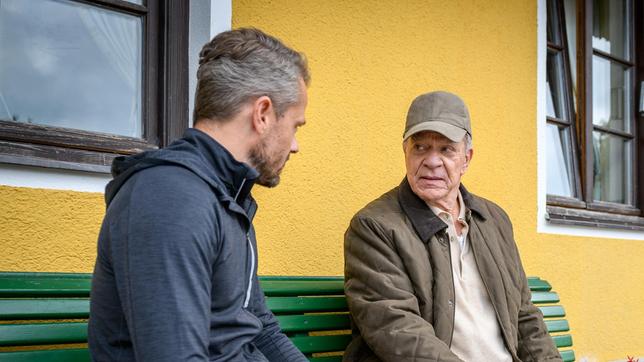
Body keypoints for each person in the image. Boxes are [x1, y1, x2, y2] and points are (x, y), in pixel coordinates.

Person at [88, 28, 310, 361]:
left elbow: (259, 326)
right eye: (295, 125)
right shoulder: (168, 198)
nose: (295, 145)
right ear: (262, 113)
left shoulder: (225, 196)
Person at [343, 91, 562, 362]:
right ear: (406, 152)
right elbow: (397, 330)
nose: (432, 161)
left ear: (466, 158)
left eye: (446, 149)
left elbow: (524, 316)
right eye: (420, 147)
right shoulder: (374, 226)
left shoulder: (493, 220)